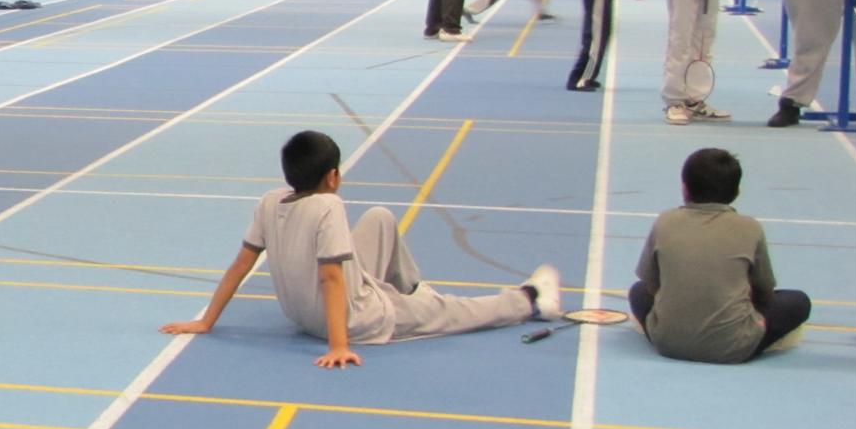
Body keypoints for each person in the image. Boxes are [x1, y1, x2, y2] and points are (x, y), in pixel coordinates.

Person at [159, 130, 561, 366]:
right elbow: (331, 277)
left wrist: (207, 320)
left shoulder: (270, 201)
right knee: (456, 311)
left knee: (379, 218)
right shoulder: (328, 206)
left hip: (301, 313)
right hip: (356, 321)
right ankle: (530, 300)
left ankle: (413, 292)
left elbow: (241, 264)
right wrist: (339, 344)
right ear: (333, 177)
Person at [629, 148, 810, 361]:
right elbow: (764, 289)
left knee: (638, 291)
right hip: (733, 346)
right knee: (798, 301)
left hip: (667, 342)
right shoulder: (750, 227)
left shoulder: (664, 221)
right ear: (736, 191)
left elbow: (651, 283)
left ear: (685, 188)